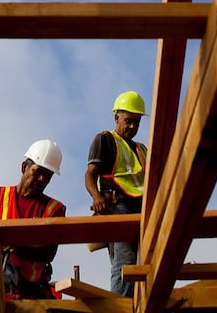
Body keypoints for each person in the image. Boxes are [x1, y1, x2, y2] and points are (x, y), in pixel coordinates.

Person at [84, 90, 148, 297]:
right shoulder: (105, 139)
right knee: (125, 261)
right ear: (116, 117)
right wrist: (97, 197)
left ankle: (139, 305)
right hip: (118, 206)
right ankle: (121, 307)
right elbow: (90, 174)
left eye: (137, 123)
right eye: (128, 121)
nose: (132, 127)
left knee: (146, 261)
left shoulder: (142, 149)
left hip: (143, 209)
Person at [0, 139, 67, 299]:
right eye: (38, 172)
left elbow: (49, 252)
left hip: (34, 291)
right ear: (24, 168)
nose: (42, 179)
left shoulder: (54, 208)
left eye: (47, 176)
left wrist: (17, 247)